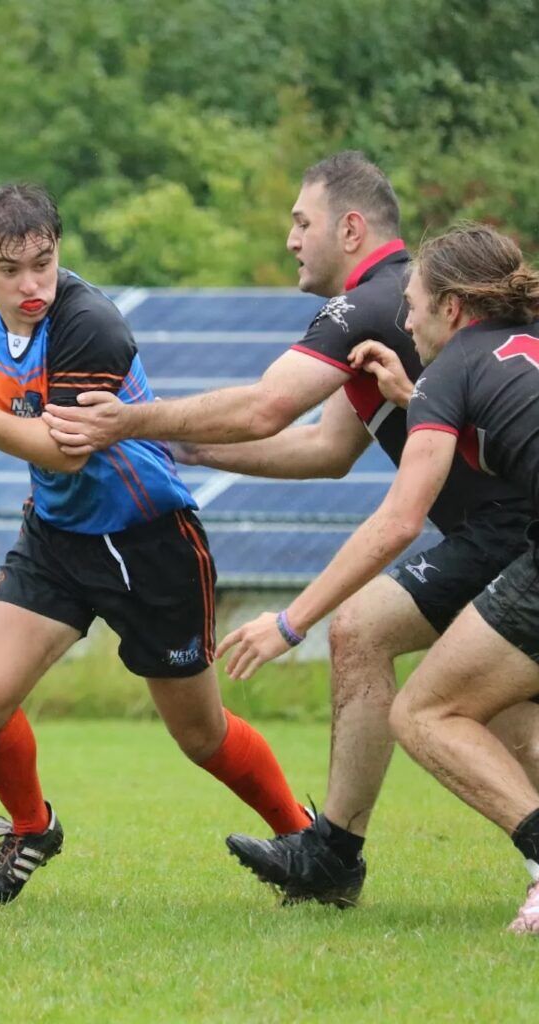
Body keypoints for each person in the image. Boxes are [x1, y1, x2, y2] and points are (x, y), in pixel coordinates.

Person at [42, 151, 539, 907]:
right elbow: (325, 448)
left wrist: (128, 420)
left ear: (350, 227)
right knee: (476, 698)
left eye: (302, 221)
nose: (290, 239)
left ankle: (340, 852)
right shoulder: (416, 326)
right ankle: (335, 851)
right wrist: (182, 447)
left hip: (505, 531)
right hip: (502, 529)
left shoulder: (367, 307)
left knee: (425, 697)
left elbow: (267, 408)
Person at [0, 183, 310, 905]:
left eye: (43, 263)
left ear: (57, 253)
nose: (31, 284)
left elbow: (65, 448)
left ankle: (306, 841)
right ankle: (29, 829)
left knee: (201, 737)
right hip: (57, 538)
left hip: (150, 542)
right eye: (10, 269)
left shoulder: (90, 324)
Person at [216, 223, 539, 933]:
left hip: (517, 545)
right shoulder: (511, 350)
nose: (407, 319)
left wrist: (287, 622)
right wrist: (412, 395)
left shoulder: (455, 368)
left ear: (453, 309)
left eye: (415, 306)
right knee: (500, 706)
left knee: (428, 713)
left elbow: (398, 521)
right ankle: (333, 854)